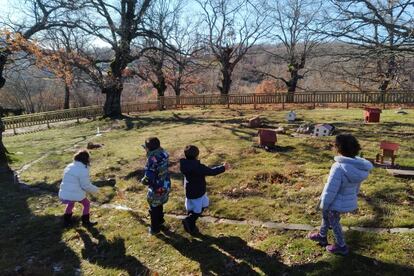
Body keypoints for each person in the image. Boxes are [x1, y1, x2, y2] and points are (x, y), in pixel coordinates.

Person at [308, 134, 373, 255]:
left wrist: (324, 203)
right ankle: (322, 235)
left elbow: (330, 188)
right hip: (345, 200)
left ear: (339, 148)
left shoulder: (338, 167)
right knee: (326, 217)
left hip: (334, 202)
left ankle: (341, 245)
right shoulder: (358, 166)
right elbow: (357, 186)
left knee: (333, 222)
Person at [180, 145, 230, 234]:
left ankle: (191, 223)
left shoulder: (184, 165)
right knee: (197, 210)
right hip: (198, 192)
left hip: (190, 191)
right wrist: (223, 168)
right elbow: (211, 172)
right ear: (197, 155)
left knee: (199, 206)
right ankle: (189, 220)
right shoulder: (199, 167)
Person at [59, 150, 99, 227]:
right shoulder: (83, 170)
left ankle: (66, 221)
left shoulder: (69, 166)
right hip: (75, 193)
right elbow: (86, 185)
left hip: (64, 192)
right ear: (86, 159)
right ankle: (85, 222)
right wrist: (96, 190)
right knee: (86, 204)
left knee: (71, 203)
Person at [141, 137, 171, 235]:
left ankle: (155, 228)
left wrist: (144, 181)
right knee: (160, 203)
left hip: (156, 187)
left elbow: (149, 177)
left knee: (154, 206)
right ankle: (160, 221)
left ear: (148, 149)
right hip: (165, 184)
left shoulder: (151, 160)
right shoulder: (164, 154)